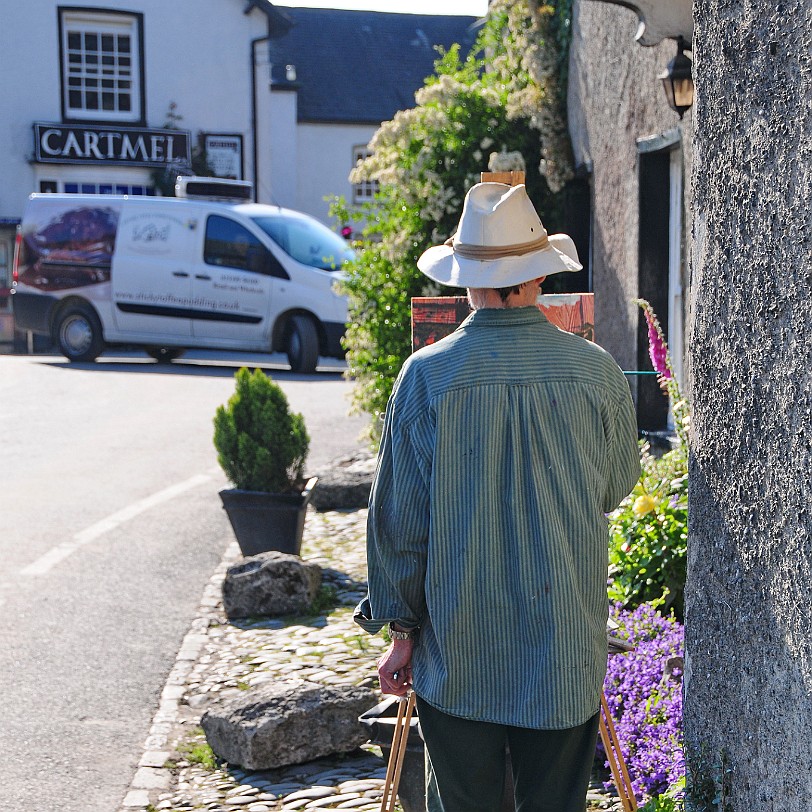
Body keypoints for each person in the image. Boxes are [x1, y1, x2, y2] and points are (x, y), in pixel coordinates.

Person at [354, 182, 641, 812]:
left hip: (459, 649)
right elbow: (618, 485)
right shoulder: (597, 372)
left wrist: (401, 630)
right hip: (563, 640)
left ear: (466, 281)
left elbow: (396, 523)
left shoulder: (427, 376)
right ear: (539, 276)